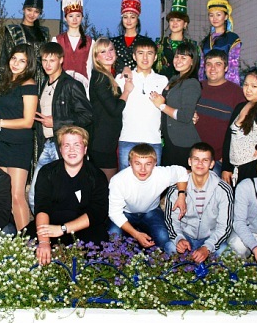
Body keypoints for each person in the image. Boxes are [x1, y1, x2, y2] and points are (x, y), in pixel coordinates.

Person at [0, 43, 38, 231]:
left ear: (29, 64)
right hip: (1, 143)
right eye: (14, 59)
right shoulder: (5, 83)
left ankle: (26, 242)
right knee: (5, 194)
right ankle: (11, 238)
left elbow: (28, 121)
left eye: (22, 61)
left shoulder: (29, 85)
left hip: (19, 144)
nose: (16, 63)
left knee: (17, 195)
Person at [30, 126, 109, 265]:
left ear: (85, 149)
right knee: (22, 246)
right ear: (60, 150)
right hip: (51, 225)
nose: (71, 150)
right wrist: (44, 242)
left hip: (84, 228)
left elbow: (97, 213)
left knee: (97, 253)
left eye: (76, 145)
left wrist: (63, 229)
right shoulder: (47, 172)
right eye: (66, 145)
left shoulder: (97, 176)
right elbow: (42, 208)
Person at [29, 42, 92, 210]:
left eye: (52, 60)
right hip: (47, 145)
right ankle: (44, 226)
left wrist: (56, 122)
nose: (47, 64)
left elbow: (87, 115)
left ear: (61, 60)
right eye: (44, 60)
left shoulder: (71, 84)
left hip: (64, 147)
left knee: (68, 195)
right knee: (35, 196)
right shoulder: (43, 84)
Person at [107, 143, 187, 253]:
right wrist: (136, 234)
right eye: (137, 163)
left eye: (148, 164)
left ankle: (157, 261)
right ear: (130, 163)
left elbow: (181, 172)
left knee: (163, 237)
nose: (143, 169)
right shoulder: (118, 180)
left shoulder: (161, 174)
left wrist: (181, 195)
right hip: (126, 213)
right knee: (114, 237)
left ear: (155, 164)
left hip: (151, 211)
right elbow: (114, 213)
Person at [164, 143, 233, 262]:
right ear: (189, 161)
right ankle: (187, 268)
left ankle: (206, 268)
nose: (200, 163)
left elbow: (225, 226)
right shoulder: (176, 189)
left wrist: (207, 247)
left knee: (225, 251)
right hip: (186, 236)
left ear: (212, 164)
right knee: (171, 247)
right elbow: (171, 220)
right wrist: (179, 239)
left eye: (205, 160)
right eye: (196, 159)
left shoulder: (223, 189)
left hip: (210, 237)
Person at [115, 39, 169, 170]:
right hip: (127, 138)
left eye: (149, 53)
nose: (145, 58)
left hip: (153, 140)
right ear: (134, 56)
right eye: (140, 53)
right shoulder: (122, 78)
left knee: (153, 180)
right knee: (126, 179)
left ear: (155, 57)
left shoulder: (163, 80)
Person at [149, 42, 201, 169]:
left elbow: (185, 116)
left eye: (183, 57)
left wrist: (162, 106)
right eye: (177, 56)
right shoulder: (174, 79)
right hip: (169, 141)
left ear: (192, 61)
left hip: (183, 142)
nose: (178, 60)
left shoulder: (191, 83)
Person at [221, 68, 257, 187]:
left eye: (254, 86)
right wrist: (226, 167)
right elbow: (228, 138)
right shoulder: (240, 107)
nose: (248, 89)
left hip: (253, 166)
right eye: (246, 85)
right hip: (235, 168)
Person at [195, 49, 245, 177]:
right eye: (209, 64)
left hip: (219, 160)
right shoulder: (195, 88)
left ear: (226, 68)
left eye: (218, 64)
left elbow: (241, 130)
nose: (213, 68)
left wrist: (227, 159)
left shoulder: (237, 93)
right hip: (194, 157)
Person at [89, 38, 133, 180]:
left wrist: (126, 67)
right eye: (103, 52)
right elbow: (114, 110)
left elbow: (118, 62)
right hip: (102, 142)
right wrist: (126, 91)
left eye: (111, 50)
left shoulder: (108, 75)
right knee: (108, 185)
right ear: (96, 57)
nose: (108, 54)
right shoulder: (100, 78)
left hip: (107, 140)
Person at [2, 0, 49, 92]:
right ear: (23, 9)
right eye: (29, 10)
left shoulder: (44, 32)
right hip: (18, 75)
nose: (32, 14)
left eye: (36, 12)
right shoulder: (13, 31)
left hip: (41, 78)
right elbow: (5, 57)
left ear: (40, 13)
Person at [155, 0, 197, 79]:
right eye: (172, 20)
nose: (174, 23)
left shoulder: (193, 46)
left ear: (185, 24)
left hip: (185, 85)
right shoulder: (159, 44)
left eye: (178, 20)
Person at [110, 0, 154, 73]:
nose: (129, 21)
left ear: (137, 19)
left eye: (132, 17)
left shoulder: (145, 41)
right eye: (125, 17)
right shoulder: (113, 42)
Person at [54, 0, 92, 91]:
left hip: (83, 87)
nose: (74, 19)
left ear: (82, 18)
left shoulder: (90, 42)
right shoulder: (57, 40)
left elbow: (89, 67)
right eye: (71, 16)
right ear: (65, 18)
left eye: (78, 16)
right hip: (61, 86)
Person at [199, 0, 241, 84]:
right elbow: (202, 67)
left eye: (218, 15)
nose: (214, 18)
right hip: (208, 83)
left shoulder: (232, 39)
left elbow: (233, 66)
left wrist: (230, 86)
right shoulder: (205, 41)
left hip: (225, 83)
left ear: (226, 17)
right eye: (211, 15)